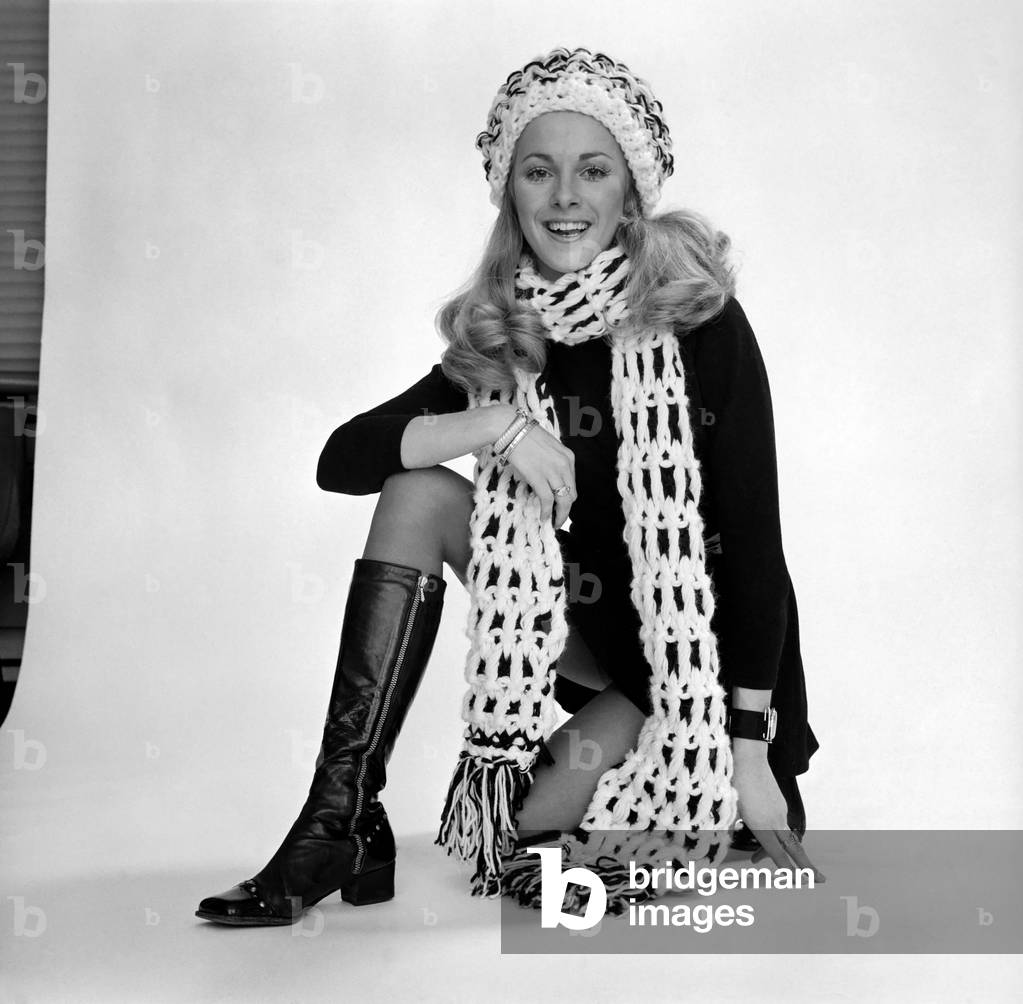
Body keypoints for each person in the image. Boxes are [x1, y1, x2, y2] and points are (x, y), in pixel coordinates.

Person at [196, 45, 821, 927]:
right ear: (511, 192)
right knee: (413, 494)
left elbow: (757, 550)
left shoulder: (696, 315)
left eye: (592, 170)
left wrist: (751, 749)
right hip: (607, 645)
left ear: (628, 193)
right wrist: (492, 423)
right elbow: (340, 459)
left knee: (522, 838)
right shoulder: (508, 336)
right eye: (539, 171)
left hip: (703, 674)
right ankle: (339, 818)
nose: (565, 196)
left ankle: (714, 791)